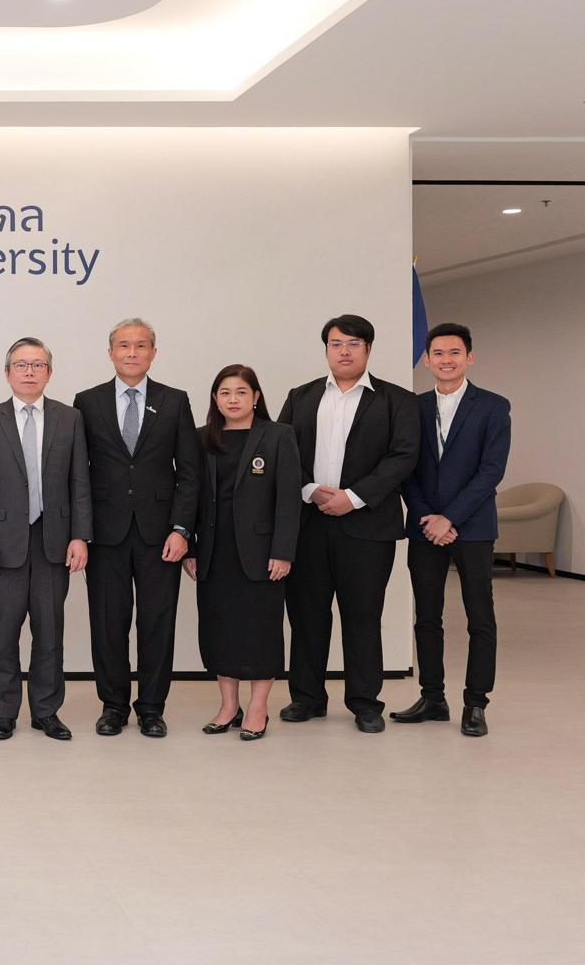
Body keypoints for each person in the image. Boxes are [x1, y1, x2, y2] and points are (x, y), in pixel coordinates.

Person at [278, 314, 418, 733]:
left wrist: (352, 498)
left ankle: (364, 702)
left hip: (368, 527)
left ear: (368, 350)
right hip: (307, 523)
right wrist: (310, 490)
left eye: (354, 344)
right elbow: (283, 453)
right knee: (306, 616)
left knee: (362, 615)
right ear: (326, 349)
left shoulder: (396, 400)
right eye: (336, 343)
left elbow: (403, 456)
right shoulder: (300, 396)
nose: (344, 351)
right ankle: (306, 697)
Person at [73, 318, 199, 738]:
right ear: (110, 352)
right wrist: (81, 531)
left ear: (153, 353)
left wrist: (182, 530)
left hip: (160, 534)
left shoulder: (175, 401)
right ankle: (112, 705)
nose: (132, 352)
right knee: (108, 622)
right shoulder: (86, 402)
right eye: (124, 345)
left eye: (140, 345)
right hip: (105, 535)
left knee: (157, 621)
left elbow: (189, 473)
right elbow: (78, 474)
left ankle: (151, 708)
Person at [0, 338, 91, 741]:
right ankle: (4, 712)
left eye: (38, 365)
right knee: (3, 630)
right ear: (7, 373)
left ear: (49, 373)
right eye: (21, 365)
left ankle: (46, 711)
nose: (29, 372)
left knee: (50, 629)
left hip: (54, 539)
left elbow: (80, 483)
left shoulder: (69, 418)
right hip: (2, 542)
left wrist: (80, 536)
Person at [394, 323, 511, 737]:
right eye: (438, 353)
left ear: (469, 358)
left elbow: (490, 471)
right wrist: (429, 516)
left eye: (454, 353)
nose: (446, 360)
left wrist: (451, 518)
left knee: (480, 617)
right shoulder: (413, 407)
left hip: (473, 528)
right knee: (427, 617)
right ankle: (433, 697)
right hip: (425, 527)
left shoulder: (494, 406)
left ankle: (476, 703)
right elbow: (405, 466)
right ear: (427, 360)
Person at [182, 365, 301, 742]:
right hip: (215, 554)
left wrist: (283, 551)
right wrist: (192, 547)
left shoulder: (278, 436)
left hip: (262, 553)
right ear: (215, 399)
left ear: (256, 397)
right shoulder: (202, 439)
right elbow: (193, 497)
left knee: (260, 630)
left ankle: (258, 708)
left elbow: (288, 499)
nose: (232, 400)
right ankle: (228, 705)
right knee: (219, 629)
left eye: (240, 392)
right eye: (224, 393)